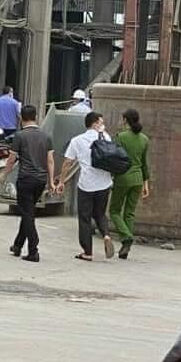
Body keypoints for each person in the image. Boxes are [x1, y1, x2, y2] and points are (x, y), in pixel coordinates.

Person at [56, 111, 115, 262]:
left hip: (86, 185)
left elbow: (67, 163)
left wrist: (62, 181)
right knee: (100, 213)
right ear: (94, 123)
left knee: (84, 217)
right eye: (101, 122)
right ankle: (106, 235)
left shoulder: (77, 140)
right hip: (105, 183)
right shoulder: (106, 137)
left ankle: (87, 252)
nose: (103, 125)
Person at [3, 104, 55, 263]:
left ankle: (34, 249)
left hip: (26, 178)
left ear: (21, 118)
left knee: (27, 214)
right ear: (36, 117)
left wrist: (4, 174)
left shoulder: (19, 136)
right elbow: (50, 161)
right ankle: (18, 245)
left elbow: (11, 159)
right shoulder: (46, 137)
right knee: (28, 212)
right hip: (41, 180)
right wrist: (51, 181)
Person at [109, 108, 151, 259]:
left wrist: (111, 176)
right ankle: (125, 247)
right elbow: (145, 164)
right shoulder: (144, 139)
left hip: (123, 178)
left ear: (125, 120)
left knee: (114, 211)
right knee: (130, 213)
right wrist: (146, 184)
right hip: (138, 179)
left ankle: (126, 237)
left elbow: (114, 159)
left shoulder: (120, 137)